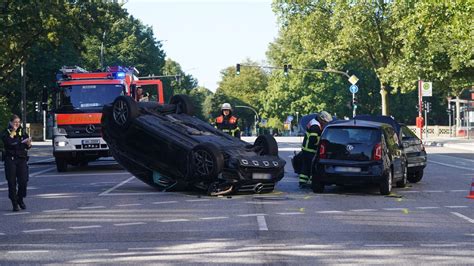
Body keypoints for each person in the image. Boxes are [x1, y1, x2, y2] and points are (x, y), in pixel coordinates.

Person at [2, 115, 31, 211]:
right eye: (15, 122)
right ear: (10, 123)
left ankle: (20, 198)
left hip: (21, 159)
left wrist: (28, 144)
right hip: (10, 159)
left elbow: (28, 146)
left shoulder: (22, 132)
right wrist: (13, 131)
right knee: (11, 182)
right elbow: (8, 142)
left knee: (23, 181)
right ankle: (14, 203)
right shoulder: (6, 132)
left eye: (18, 122)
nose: (17, 124)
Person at [298, 111, 333, 187]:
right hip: (310, 150)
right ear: (321, 119)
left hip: (306, 149)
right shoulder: (315, 126)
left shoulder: (314, 122)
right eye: (324, 121)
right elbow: (313, 140)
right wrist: (321, 142)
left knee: (306, 166)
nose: (325, 123)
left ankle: (302, 182)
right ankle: (311, 183)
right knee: (311, 167)